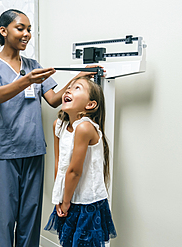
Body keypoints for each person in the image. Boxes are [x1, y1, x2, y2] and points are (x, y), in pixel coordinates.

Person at [0, 9, 96, 247]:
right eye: (21, 28)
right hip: (3, 153)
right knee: (4, 218)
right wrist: (27, 80)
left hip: (33, 150)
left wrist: (78, 78)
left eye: (29, 29)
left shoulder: (32, 65)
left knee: (30, 216)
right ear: (4, 31)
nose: (27, 34)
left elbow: (52, 99)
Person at [44, 76, 117, 246]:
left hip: (87, 202)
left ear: (90, 104)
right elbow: (59, 163)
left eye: (77, 88)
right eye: (69, 87)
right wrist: (59, 198)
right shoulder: (58, 125)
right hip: (68, 197)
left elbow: (74, 171)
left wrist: (66, 201)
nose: (68, 90)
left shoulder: (84, 127)